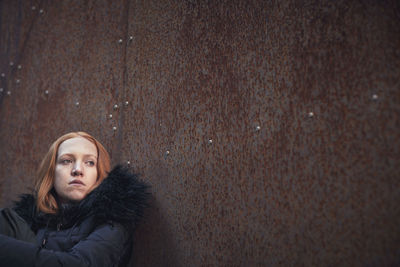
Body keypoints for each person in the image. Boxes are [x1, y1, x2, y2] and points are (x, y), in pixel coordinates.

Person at [0, 131, 149, 266]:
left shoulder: (112, 222)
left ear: (99, 174)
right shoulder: (26, 223)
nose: (77, 170)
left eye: (90, 162)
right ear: (51, 173)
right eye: (67, 161)